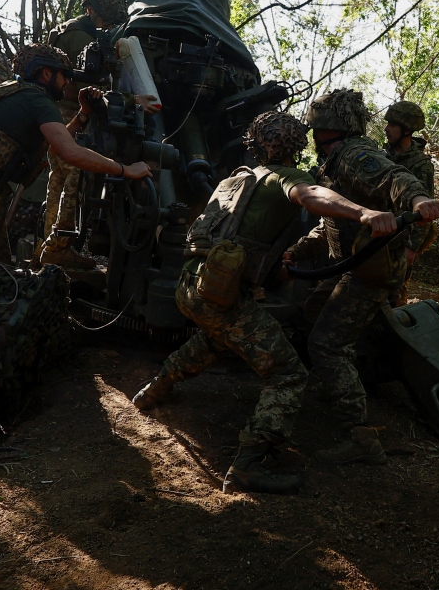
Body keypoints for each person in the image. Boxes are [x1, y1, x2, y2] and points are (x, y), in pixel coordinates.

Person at [130, 111, 398, 495]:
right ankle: (248, 466)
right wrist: (363, 211)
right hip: (220, 295)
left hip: (191, 285)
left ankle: (156, 389)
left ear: (254, 145)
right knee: (288, 374)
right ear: (298, 145)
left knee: (219, 337)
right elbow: (311, 196)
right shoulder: (284, 177)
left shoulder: (235, 178)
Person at [285, 89, 439, 466]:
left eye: (315, 127)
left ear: (328, 127)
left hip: (371, 269)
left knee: (326, 344)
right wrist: (298, 252)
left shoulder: (356, 155)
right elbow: (330, 224)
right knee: (315, 311)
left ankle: (360, 436)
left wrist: (418, 201)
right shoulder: (335, 159)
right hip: (351, 265)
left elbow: (393, 177)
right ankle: (338, 384)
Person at [0, 43, 151, 263]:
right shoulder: (39, 100)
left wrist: (83, 114)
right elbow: (70, 153)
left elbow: (55, 145)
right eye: (64, 75)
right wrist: (125, 170)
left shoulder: (16, 91)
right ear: (46, 73)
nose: (67, 82)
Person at [38, 0, 131, 269]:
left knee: (58, 182)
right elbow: (87, 85)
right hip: (71, 115)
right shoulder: (80, 37)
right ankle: (59, 248)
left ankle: (48, 248)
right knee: (73, 181)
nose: (109, 27)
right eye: (107, 21)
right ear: (91, 11)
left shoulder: (70, 30)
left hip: (59, 115)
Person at [383, 100, 436, 304]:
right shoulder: (382, 156)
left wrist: (412, 248)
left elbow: (426, 211)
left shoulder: (421, 165)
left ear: (406, 130)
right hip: (378, 234)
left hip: (401, 240)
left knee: (394, 297)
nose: (386, 129)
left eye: (392, 125)